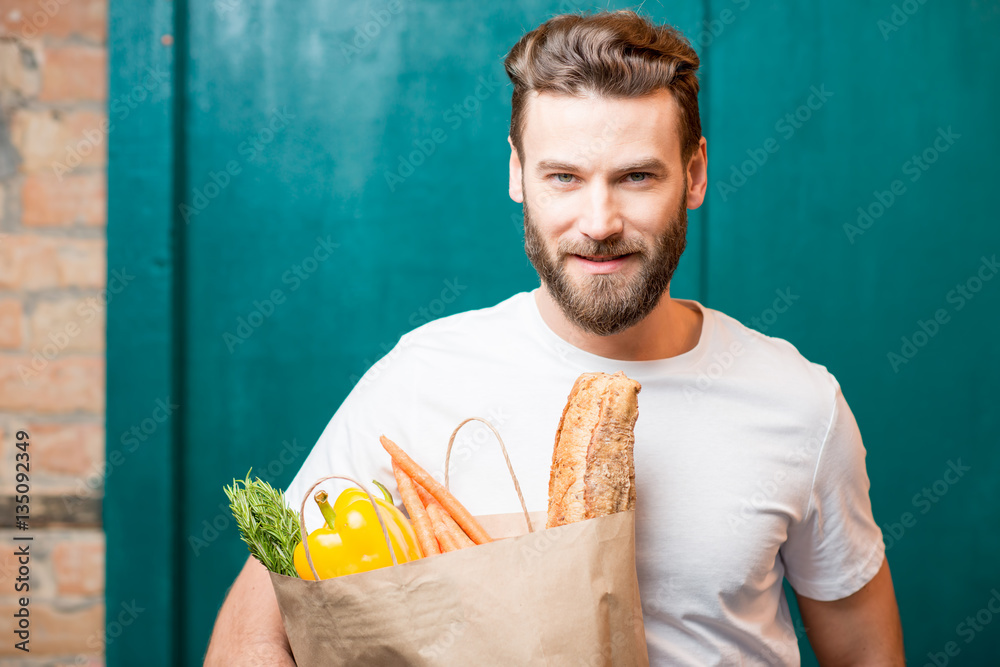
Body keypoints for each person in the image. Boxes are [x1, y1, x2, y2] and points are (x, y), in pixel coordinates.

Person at [206, 10, 905, 665]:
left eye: (636, 176)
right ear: (517, 173)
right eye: (564, 177)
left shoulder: (798, 402)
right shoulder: (422, 380)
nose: (598, 221)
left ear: (693, 173)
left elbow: (867, 653)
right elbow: (250, 632)